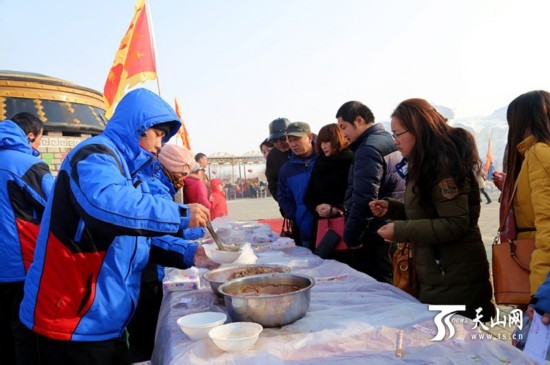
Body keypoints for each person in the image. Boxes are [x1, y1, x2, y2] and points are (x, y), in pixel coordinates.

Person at [19, 88, 211, 364]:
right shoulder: (94, 155)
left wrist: (190, 254)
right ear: (140, 128)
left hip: (104, 318)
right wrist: (180, 213)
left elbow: (136, 235)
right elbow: (107, 205)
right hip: (69, 321)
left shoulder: (128, 172)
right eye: (158, 135)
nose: (160, 146)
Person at [369, 98, 495, 320]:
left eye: (398, 134)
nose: (395, 141)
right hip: (438, 274)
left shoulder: (442, 167)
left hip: (454, 277)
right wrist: (392, 208)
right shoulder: (423, 164)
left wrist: (399, 231)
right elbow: (427, 213)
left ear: (419, 130)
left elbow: (454, 223)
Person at [125, 142, 200, 363]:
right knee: (144, 333)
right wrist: (190, 249)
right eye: (182, 173)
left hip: (149, 268)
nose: (183, 179)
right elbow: (155, 233)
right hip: (143, 271)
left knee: (147, 331)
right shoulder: (153, 187)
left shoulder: (159, 184)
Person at [0, 113, 54, 364]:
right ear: (31, 135)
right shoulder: (27, 164)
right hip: (22, 265)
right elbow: (58, 205)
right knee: (26, 334)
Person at [336, 101, 405, 283]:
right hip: (392, 228)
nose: (343, 134)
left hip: (373, 235)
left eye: (344, 127)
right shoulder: (390, 140)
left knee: (377, 290)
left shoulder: (368, 149)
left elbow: (365, 199)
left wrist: (352, 236)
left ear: (359, 120)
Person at [500, 90, 550, 298]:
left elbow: (547, 226)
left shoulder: (538, 153)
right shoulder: (535, 153)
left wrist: (542, 294)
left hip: (538, 271)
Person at [304, 123, 353, 261]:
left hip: (344, 226)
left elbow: (356, 194)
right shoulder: (319, 162)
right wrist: (316, 207)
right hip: (321, 226)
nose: (323, 146)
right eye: (321, 142)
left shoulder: (350, 160)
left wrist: (337, 209)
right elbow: (309, 195)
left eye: (327, 142)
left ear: (337, 140)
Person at [277, 122, 317, 247]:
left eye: (297, 139)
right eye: (290, 140)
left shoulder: (326, 159)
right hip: (304, 230)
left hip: (330, 228)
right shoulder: (286, 169)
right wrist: (297, 215)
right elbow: (283, 197)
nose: (293, 144)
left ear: (309, 137)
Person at [265, 117, 291, 202]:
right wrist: (285, 207)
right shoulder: (272, 157)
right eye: (274, 140)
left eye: (283, 138)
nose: (279, 143)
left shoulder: (306, 149)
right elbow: (273, 186)